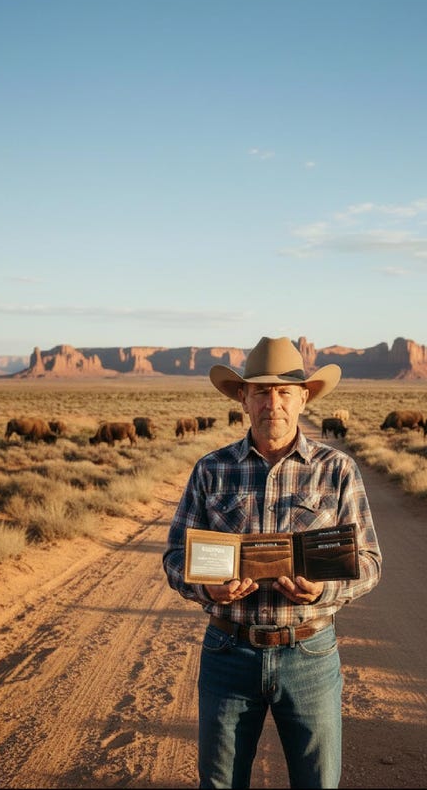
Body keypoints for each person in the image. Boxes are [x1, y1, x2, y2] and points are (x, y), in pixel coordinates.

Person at [163, 336, 382, 789]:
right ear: (242, 398)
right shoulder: (211, 470)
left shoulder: (337, 470)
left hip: (310, 653)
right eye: (261, 391)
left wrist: (324, 590)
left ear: (304, 398)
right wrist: (207, 589)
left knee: (317, 782)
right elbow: (174, 557)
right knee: (219, 783)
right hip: (228, 652)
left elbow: (369, 562)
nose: (273, 403)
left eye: (284, 392)